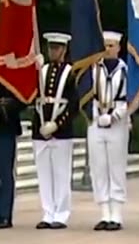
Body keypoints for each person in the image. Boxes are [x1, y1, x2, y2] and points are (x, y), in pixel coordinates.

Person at [31, 32, 79, 229]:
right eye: (51, 48)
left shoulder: (71, 72)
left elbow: (74, 104)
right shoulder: (41, 71)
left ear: (64, 50)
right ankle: (47, 211)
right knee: (44, 174)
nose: (53, 51)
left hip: (61, 130)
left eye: (57, 48)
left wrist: (58, 124)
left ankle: (61, 212)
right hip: (40, 129)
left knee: (60, 173)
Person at [87, 30, 130, 231]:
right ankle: (104, 211)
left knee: (116, 167)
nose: (108, 49)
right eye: (105, 45)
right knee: (99, 167)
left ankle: (116, 213)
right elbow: (88, 94)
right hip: (96, 121)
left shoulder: (126, 70)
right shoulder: (94, 69)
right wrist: (96, 115)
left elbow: (129, 99)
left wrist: (114, 116)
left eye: (111, 45)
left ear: (119, 48)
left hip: (117, 123)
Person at [0, 73, 23, 229]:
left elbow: (22, 97)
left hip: (5, 124)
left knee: (4, 172)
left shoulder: (12, 66)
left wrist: (2, 112)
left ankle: (4, 214)